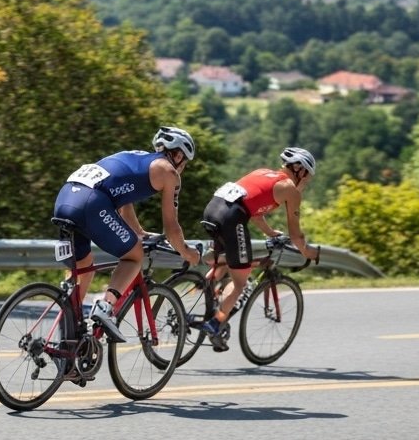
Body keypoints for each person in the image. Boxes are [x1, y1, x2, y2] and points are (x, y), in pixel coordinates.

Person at [52, 126, 203, 342]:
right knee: (134, 256)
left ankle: (67, 344)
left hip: (65, 198)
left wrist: (138, 231)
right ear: (178, 155)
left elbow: (123, 199)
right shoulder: (169, 172)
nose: (183, 168)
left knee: (83, 269)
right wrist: (188, 253)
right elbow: (171, 229)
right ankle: (105, 307)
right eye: (185, 162)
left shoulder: (133, 156)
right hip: (92, 203)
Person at [197, 147, 322, 351]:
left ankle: (208, 292)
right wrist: (309, 253)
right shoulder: (289, 188)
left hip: (212, 209)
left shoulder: (263, 172)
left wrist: (271, 232)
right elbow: (296, 235)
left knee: (231, 262)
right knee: (241, 282)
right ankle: (215, 324)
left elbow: (254, 212)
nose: (306, 181)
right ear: (301, 170)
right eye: (307, 177)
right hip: (231, 219)